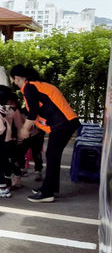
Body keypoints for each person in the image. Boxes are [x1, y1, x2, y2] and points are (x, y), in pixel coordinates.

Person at [9, 64, 80, 203]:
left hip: (62, 125)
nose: (12, 82)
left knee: (52, 155)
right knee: (52, 155)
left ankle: (48, 192)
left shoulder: (29, 87)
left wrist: (25, 129)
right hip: (64, 124)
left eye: (11, 79)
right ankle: (51, 188)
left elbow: (34, 111)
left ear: (16, 78)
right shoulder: (35, 85)